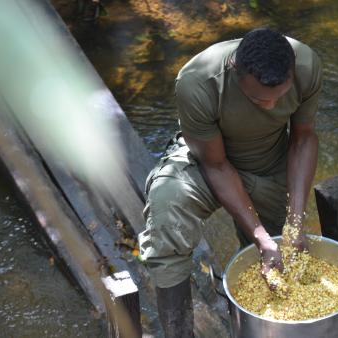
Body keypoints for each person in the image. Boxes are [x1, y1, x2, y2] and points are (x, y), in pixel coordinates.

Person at [137, 27, 322, 337]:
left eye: (279, 98)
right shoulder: (197, 82)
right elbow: (216, 164)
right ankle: (179, 331)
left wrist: (295, 221)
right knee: (167, 211)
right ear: (236, 70)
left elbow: (302, 140)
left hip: (269, 162)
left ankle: (274, 325)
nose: (270, 107)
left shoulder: (307, 65)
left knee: (287, 255)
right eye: (258, 99)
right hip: (207, 164)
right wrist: (261, 235)